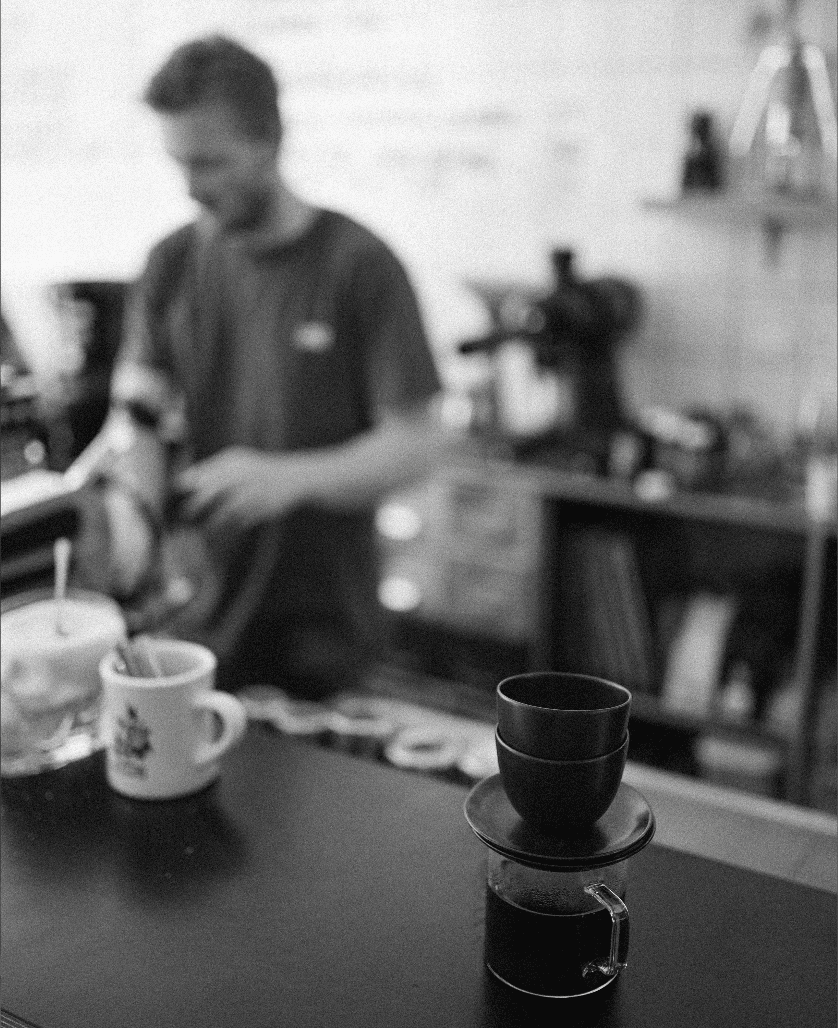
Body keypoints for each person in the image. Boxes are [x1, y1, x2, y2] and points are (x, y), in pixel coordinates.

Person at [83, 35, 459, 697]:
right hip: (193, 624)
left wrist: (289, 478)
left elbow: (419, 443)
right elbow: (135, 415)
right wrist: (135, 530)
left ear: (270, 142)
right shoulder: (169, 263)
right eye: (179, 164)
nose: (192, 189)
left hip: (324, 633)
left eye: (211, 164)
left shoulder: (360, 266)